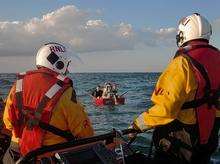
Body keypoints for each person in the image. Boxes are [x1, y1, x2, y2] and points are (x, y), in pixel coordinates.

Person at [130, 13, 220, 164]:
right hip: (210, 135)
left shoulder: (182, 63)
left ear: (182, 35)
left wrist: (137, 125)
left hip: (183, 139)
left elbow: (165, 109)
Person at [3, 42, 94, 163]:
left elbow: (8, 122)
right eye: (66, 65)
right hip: (48, 156)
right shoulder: (65, 92)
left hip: (15, 154)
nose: (67, 69)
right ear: (59, 64)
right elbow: (84, 132)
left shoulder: (18, 85)